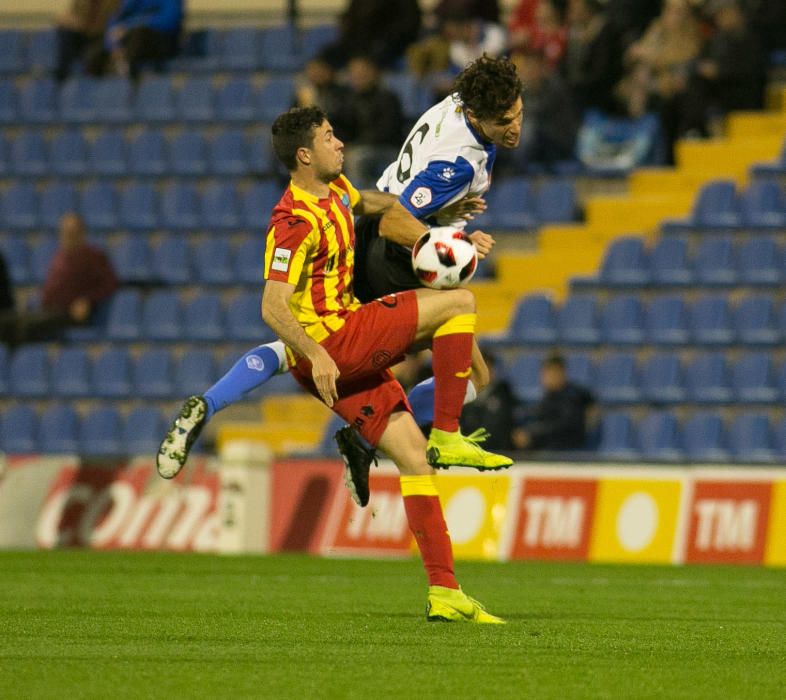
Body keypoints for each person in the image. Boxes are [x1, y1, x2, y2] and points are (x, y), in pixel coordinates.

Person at [165, 106, 512, 623]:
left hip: (335, 352)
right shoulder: (292, 222)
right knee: (459, 304)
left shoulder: (337, 193)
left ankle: (444, 592)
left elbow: (372, 202)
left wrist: (446, 211)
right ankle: (448, 432)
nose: (340, 142)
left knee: (414, 460)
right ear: (304, 155)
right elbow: (271, 305)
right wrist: (319, 351)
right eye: (329, 137)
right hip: (338, 341)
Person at [158, 55, 524, 499]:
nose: (516, 125)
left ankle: (212, 402)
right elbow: (397, 219)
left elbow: (392, 201)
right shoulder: (458, 164)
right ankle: (376, 437)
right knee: (469, 372)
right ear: (475, 113)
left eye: (519, 112)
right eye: (505, 119)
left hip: (372, 233)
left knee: (303, 343)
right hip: (393, 255)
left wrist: (442, 219)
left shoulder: (454, 105)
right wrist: (446, 241)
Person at [3, 213, 118, 345]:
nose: (67, 236)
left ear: (81, 233)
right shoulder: (60, 256)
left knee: (25, 328)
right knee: (7, 322)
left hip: (70, 313)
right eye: (64, 232)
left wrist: (87, 300)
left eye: (71, 232)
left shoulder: (93, 256)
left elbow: (109, 283)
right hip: (48, 310)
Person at [342, 55, 404, 188]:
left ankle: (359, 203)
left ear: (373, 73)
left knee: (355, 158)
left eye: (362, 72)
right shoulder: (349, 99)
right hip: (359, 146)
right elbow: (344, 126)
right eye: (354, 73)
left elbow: (388, 130)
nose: (358, 76)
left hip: (387, 147)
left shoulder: (388, 98)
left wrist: (355, 145)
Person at [512, 351, 594, 451]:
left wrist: (532, 433)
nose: (548, 377)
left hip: (564, 450)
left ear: (562, 373)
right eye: (546, 373)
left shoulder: (572, 396)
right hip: (547, 447)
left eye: (553, 372)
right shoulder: (549, 396)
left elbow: (563, 426)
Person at [91, 0, 183, 79]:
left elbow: (169, 21)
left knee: (139, 36)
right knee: (95, 54)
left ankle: (128, 73)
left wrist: (129, 26)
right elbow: (116, 21)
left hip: (162, 40)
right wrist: (114, 47)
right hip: (129, 41)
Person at [320, 0, 422, 70]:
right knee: (325, 57)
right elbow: (350, 17)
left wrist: (386, 39)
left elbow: (408, 24)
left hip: (388, 44)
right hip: (358, 43)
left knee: (371, 55)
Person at [459, 352, 519, 451]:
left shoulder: (503, 392)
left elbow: (501, 425)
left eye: (488, 367)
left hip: (498, 451)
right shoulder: (464, 394)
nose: (483, 373)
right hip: (468, 451)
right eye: (477, 369)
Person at [54, 0, 119, 82]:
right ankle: (61, 79)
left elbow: (116, 19)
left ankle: (88, 80)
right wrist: (73, 22)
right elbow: (69, 16)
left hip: (100, 35)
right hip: (80, 33)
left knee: (100, 49)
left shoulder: (113, 2)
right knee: (66, 33)